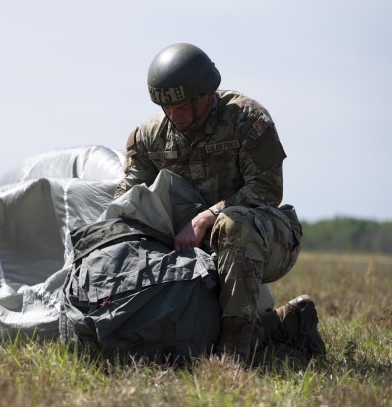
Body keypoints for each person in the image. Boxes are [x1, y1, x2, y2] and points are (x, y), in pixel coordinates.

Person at [114, 42, 325, 360]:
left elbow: (267, 189)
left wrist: (207, 217)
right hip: (194, 245)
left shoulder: (247, 119)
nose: (175, 116)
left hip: (266, 237)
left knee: (231, 225)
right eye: (166, 108)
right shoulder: (148, 138)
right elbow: (126, 199)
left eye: (183, 107)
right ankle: (287, 322)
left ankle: (234, 354)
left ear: (206, 95)